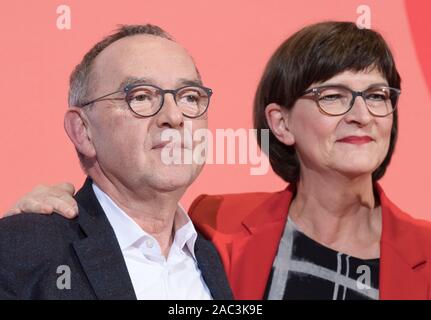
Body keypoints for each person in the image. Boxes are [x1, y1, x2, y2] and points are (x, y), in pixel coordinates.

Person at [7, 21, 431, 300]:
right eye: (334, 96)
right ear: (279, 124)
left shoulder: (200, 245)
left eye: (377, 96)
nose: (360, 114)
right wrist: (23, 233)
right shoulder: (221, 223)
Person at [0, 24, 232, 299]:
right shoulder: (24, 249)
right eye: (142, 96)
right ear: (83, 131)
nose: (174, 115)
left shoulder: (217, 257)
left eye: (189, 97)